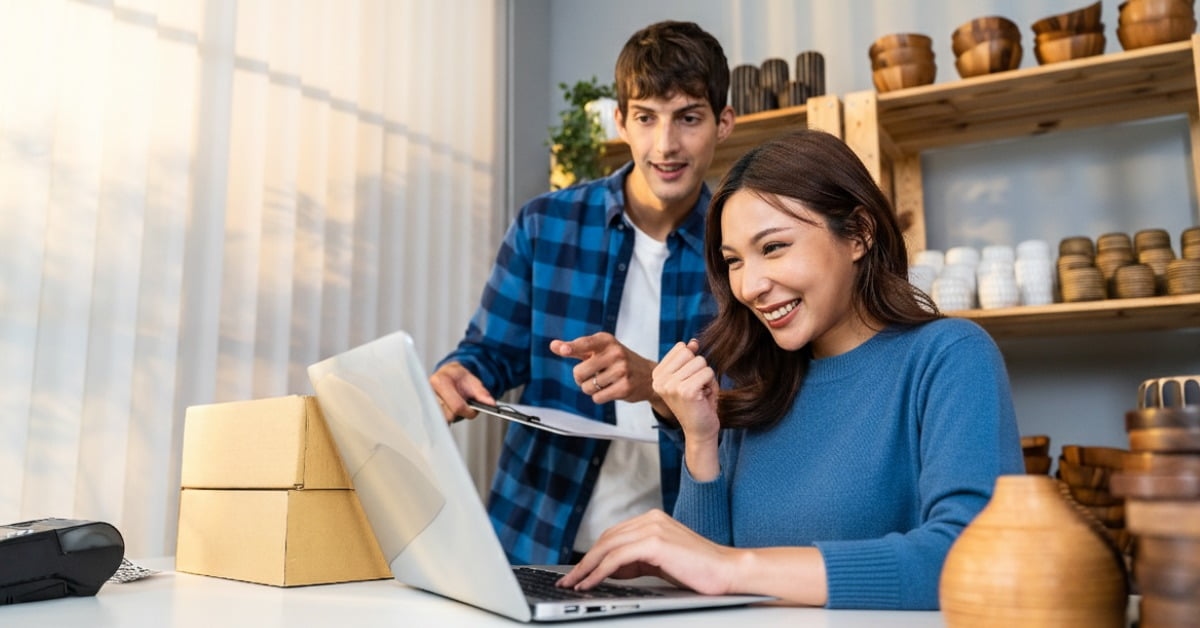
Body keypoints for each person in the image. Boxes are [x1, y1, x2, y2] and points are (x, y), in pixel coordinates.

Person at [557, 129, 1024, 609]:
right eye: (733, 261)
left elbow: (974, 555)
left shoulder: (950, 357)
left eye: (774, 247)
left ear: (859, 234)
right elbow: (702, 592)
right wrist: (701, 441)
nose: (751, 286)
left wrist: (735, 567)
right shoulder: (756, 379)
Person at [429, 20, 736, 566]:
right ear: (621, 122)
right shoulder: (544, 224)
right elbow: (490, 353)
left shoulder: (739, 250)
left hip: (676, 553)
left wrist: (654, 387)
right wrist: (459, 371)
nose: (666, 145)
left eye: (688, 118)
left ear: (723, 123)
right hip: (534, 536)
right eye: (646, 118)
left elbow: (751, 409)